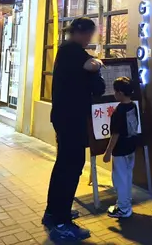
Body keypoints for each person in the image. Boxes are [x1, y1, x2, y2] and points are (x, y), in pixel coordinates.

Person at [42, 18, 105, 241]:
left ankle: (53, 213)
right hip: (72, 120)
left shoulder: (66, 51)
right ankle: (62, 223)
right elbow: (95, 78)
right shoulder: (74, 52)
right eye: (89, 34)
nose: (90, 38)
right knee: (71, 169)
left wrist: (94, 63)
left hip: (64, 118)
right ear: (81, 33)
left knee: (63, 167)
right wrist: (97, 65)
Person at [104, 77, 139, 219]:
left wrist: (108, 152)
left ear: (120, 93)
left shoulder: (118, 111)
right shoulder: (133, 106)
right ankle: (125, 203)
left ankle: (123, 209)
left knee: (120, 179)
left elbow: (115, 134)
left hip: (120, 150)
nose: (114, 94)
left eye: (115, 91)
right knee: (128, 176)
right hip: (131, 147)